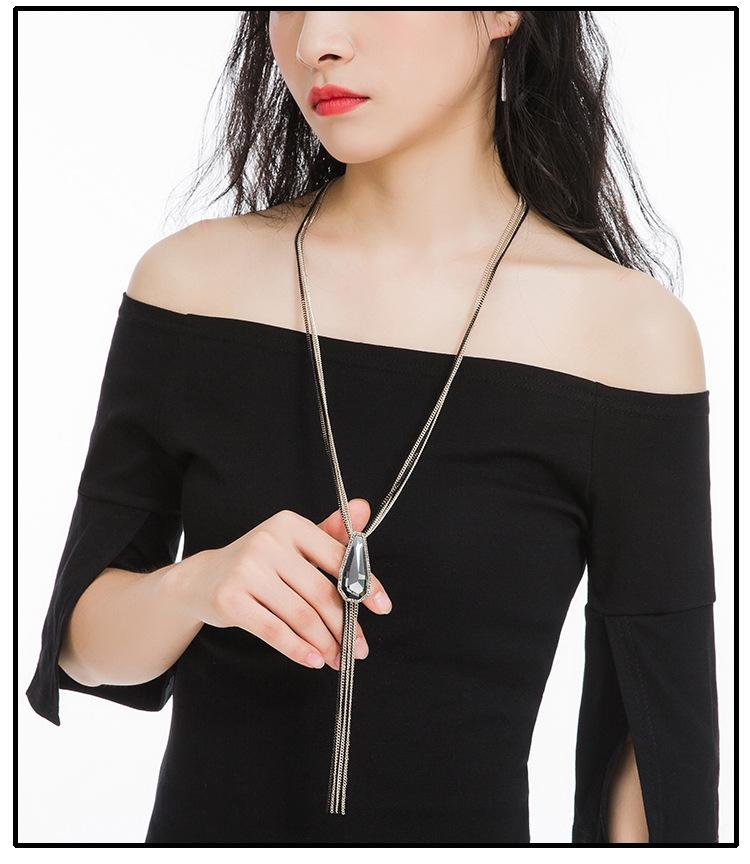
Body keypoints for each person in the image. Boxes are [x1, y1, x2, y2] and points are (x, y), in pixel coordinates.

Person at [26, 10, 719, 844]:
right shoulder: (192, 283)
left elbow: (653, 742)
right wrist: (200, 584)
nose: (316, 40)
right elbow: (81, 648)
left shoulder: (626, 336)